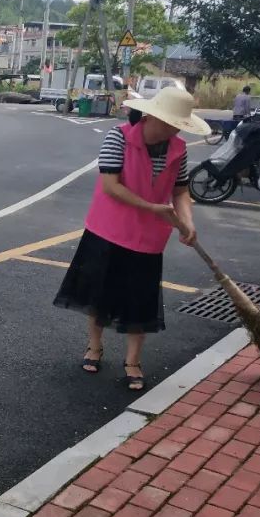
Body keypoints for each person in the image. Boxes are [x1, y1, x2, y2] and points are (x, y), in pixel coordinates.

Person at [54, 86, 211, 391]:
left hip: (149, 238)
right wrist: (152, 207)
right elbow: (111, 185)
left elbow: (180, 191)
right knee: (100, 295)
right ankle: (95, 347)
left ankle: (133, 361)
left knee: (141, 300)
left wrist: (187, 222)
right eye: (169, 123)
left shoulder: (178, 149)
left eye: (178, 125)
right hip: (109, 230)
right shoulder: (118, 137)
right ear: (151, 116)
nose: (173, 130)